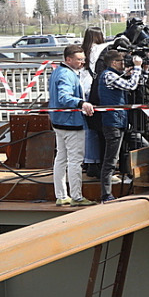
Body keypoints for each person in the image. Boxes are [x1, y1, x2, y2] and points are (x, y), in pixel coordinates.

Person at [92, 46, 146, 202]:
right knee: (111, 159)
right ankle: (106, 194)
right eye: (122, 61)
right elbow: (131, 86)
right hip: (113, 122)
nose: (124, 63)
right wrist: (137, 67)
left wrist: (140, 70)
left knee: (137, 147)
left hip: (120, 120)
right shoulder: (108, 75)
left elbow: (135, 82)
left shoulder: (113, 75)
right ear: (114, 62)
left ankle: (119, 185)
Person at [49, 44, 96, 207]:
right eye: (79, 59)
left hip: (58, 122)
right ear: (68, 59)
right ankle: (76, 196)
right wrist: (81, 103)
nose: (82, 62)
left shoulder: (57, 71)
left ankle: (61, 195)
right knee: (75, 160)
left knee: (61, 158)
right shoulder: (67, 75)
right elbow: (64, 97)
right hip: (71, 123)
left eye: (83, 59)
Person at [80, 27, 107, 179]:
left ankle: (89, 162)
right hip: (94, 90)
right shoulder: (100, 50)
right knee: (97, 131)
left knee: (88, 130)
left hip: (83, 89)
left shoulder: (83, 51)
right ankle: (95, 163)